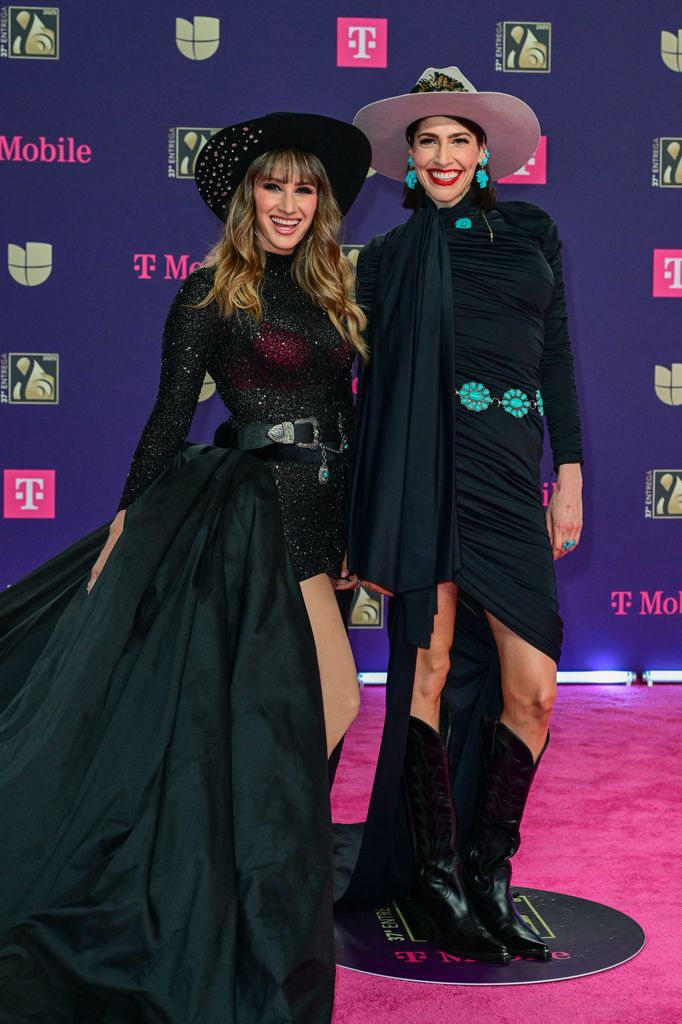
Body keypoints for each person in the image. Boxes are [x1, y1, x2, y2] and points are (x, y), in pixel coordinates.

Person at [0, 112, 370, 1024]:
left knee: (323, 708)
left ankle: (264, 871)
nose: (287, 204)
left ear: (321, 203)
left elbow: (342, 414)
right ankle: (250, 881)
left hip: (322, 520)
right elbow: (169, 420)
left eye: (304, 188)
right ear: (248, 198)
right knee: (320, 704)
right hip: (252, 518)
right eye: (272, 187)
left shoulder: (332, 292)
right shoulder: (211, 294)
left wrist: (356, 531)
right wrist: (127, 523)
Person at [338, 68, 583, 965]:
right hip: (424, 476)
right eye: (427, 142)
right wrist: (362, 515)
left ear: (484, 153)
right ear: (409, 157)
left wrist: (573, 471)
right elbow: (363, 398)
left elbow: (556, 360)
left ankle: (491, 868)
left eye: (459, 140)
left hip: (510, 474)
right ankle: (440, 878)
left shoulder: (533, 234)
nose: (443, 156)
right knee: (430, 670)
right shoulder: (390, 259)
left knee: (536, 688)